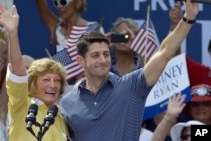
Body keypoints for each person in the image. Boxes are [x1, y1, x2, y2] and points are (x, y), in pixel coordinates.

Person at [60, 0, 199, 140]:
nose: (103, 60)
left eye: (106, 54)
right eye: (95, 55)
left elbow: (164, 53)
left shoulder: (130, 86)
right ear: (80, 61)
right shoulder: (67, 102)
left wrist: (188, 18)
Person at [0, 1, 70, 141]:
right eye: (46, 79)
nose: (53, 85)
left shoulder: (60, 118)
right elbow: (18, 73)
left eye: (57, 80)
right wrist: (13, 34)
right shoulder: (21, 105)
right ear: (32, 84)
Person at [35, 0, 104, 52]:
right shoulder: (56, 28)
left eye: (63, 2)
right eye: (56, 3)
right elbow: (41, 4)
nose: (59, 6)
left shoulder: (94, 29)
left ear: (77, 2)